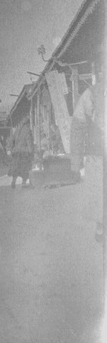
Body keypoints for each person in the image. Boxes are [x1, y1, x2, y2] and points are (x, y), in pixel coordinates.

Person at [70, 80, 103, 243]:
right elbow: (78, 125)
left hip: (97, 153)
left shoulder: (92, 92)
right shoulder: (92, 93)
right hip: (97, 154)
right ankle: (101, 225)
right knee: (100, 195)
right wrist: (76, 160)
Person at [8, 116, 34, 188]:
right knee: (25, 168)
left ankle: (13, 181)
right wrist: (31, 152)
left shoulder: (17, 130)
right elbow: (30, 142)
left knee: (16, 168)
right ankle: (23, 183)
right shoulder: (27, 130)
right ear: (27, 123)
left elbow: (11, 141)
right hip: (24, 152)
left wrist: (11, 149)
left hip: (16, 152)